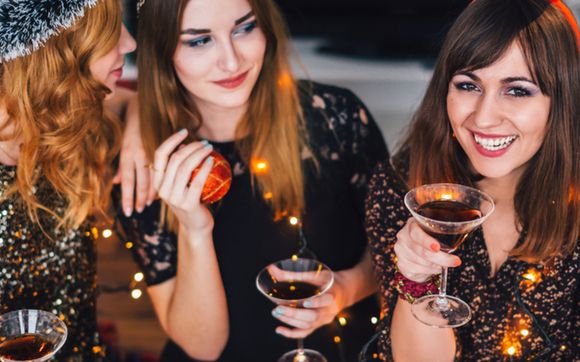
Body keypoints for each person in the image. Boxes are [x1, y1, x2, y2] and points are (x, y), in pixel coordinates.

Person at [116, 0, 389, 360]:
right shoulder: (145, 169)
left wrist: (347, 289)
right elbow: (203, 347)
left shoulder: (336, 119)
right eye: (199, 41)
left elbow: (396, 249)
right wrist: (194, 230)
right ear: (161, 50)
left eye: (244, 28)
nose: (232, 61)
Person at [365, 0, 579, 361]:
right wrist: (417, 280)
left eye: (517, 90)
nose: (484, 117)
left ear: (562, 101)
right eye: (468, 85)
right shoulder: (402, 186)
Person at [0, 0, 136, 360]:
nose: (130, 43)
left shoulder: (67, 113)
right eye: (109, 32)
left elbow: (126, 100)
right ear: (57, 49)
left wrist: (137, 119)